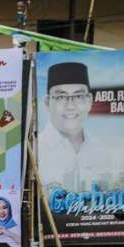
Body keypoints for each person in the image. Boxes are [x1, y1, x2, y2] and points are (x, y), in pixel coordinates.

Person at [39, 61, 109, 192]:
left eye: (78, 96)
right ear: (47, 103)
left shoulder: (101, 149)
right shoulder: (36, 148)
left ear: (89, 101)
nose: (70, 106)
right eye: (61, 97)